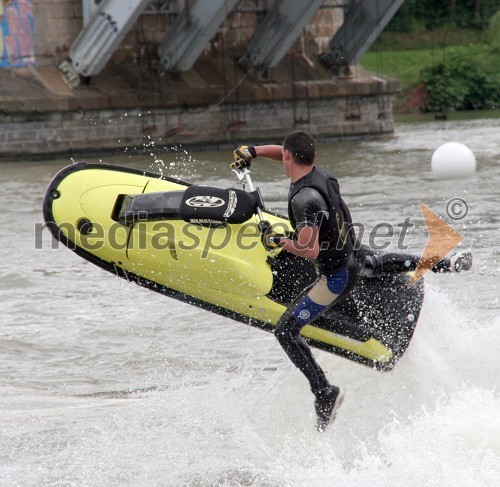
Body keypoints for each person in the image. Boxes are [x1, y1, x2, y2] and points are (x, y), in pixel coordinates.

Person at [232, 130, 472, 432]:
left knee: (285, 331)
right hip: (354, 253)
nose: (282, 156)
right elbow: (284, 151)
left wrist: (278, 240)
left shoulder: (304, 199)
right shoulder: (323, 175)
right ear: (313, 157)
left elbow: (310, 249)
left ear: (289, 158)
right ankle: (445, 264)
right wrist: (252, 151)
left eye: (284, 154)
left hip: (336, 276)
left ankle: (324, 393)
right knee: (379, 262)